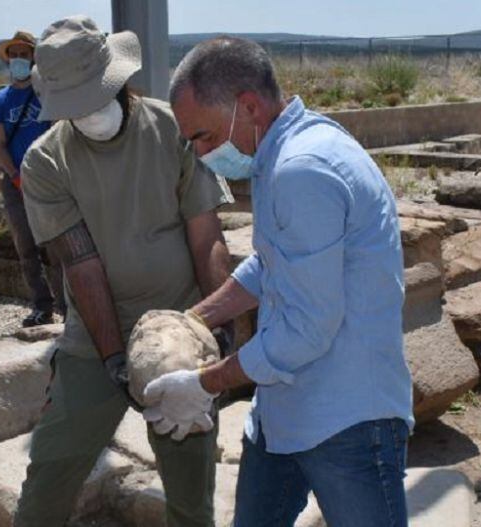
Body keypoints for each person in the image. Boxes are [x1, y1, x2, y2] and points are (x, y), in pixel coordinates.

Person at [145, 36, 415, 527]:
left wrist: (205, 383)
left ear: (247, 106)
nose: (202, 153)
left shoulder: (301, 169)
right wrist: (194, 320)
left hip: (347, 418)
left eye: (203, 137)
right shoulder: (280, 151)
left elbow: (308, 326)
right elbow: (272, 265)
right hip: (285, 410)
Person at [14, 16, 234, 527]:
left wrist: (218, 328)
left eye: (97, 96)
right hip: (94, 342)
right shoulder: (46, 161)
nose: (90, 113)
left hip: (181, 329)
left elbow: (206, 236)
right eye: (76, 106)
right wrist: (116, 359)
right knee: (50, 474)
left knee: (190, 489)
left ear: (118, 79)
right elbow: (82, 264)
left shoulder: (171, 129)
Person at [0, 30, 65, 327]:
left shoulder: (45, 95)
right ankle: (42, 306)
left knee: (57, 245)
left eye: (24, 54)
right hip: (16, 180)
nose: (19, 59)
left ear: (34, 58)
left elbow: (58, 132)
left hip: (47, 178)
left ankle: (68, 306)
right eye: (14, 55)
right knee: (26, 246)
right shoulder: (0, 101)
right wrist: (15, 175)